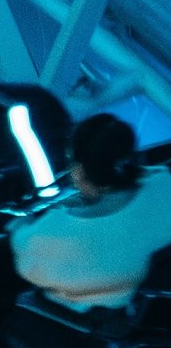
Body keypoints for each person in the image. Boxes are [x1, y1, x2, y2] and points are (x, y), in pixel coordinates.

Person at [11, 111, 171, 312]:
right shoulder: (164, 183)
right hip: (148, 302)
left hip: (90, 314)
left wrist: (19, 223)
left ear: (78, 171)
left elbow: (25, 267)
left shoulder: (52, 233)